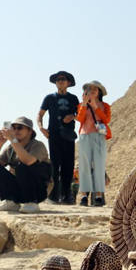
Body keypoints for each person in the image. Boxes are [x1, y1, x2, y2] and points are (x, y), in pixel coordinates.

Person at [0, 117, 51, 213]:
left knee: (23, 166)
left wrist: (12, 139)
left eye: (20, 128)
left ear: (30, 131)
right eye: (13, 128)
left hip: (38, 190)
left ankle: (31, 202)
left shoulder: (37, 145)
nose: (16, 130)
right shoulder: (11, 147)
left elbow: (28, 161)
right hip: (20, 188)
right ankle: (11, 201)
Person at [37, 71, 80, 204]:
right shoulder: (49, 98)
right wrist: (41, 128)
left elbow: (81, 115)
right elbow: (40, 114)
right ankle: (54, 195)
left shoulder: (73, 98)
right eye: (58, 79)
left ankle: (67, 195)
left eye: (63, 79)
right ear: (55, 83)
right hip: (54, 134)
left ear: (68, 83)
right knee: (55, 165)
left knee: (68, 165)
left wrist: (72, 116)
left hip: (68, 134)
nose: (61, 81)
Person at [76, 81, 111, 207]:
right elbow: (80, 119)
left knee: (99, 165)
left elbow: (106, 119)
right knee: (84, 166)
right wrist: (85, 104)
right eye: (89, 89)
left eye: (95, 89)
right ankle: (84, 196)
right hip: (85, 135)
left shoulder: (105, 105)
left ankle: (98, 195)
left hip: (99, 135)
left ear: (99, 92)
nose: (92, 91)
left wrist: (96, 106)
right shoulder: (81, 105)